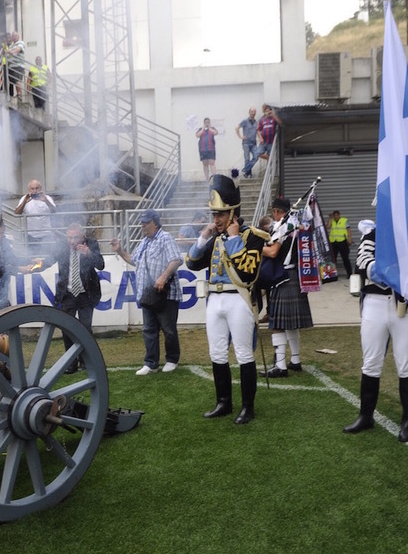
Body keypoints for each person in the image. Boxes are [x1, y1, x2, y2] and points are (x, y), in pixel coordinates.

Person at [186, 175, 270, 425]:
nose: (216, 219)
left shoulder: (252, 236)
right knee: (217, 352)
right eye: (214, 214)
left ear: (233, 213)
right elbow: (191, 263)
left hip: (239, 299)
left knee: (244, 353)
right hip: (215, 300)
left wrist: (233, 240)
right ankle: (223, 402)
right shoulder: (215, 238)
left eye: (221, 214)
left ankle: (247, 407)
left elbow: (248, 271)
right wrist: (203, 238)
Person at [343, 219, 408, 442]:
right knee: (371, 361)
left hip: (407, 304)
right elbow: (363, 264)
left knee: (406, 363)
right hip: (375, 302)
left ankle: (407, 422)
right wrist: (392, 262)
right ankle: (366, 415)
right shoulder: (374, 232)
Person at [110, 210, 182, 375]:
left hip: (164, 293)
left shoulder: (166, 238)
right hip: (148, 294)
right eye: (142, 222)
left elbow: (176, 260)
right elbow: (133, 260)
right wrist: (120, 251)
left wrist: (163, 277)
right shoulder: (144, 242)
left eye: (146, 222)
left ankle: (172, 359)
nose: (142, 225)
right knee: (149, 329)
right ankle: (151, 363)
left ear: (155, 223)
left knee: (168, 329)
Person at [40, 223, 106, 374]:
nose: (72, 241)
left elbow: (101, 265)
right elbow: (49, 260)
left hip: (86, 294)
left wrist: (89, 253)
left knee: (85, 329)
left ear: (82, 237)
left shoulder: (92, 244)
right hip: (67, 294)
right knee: (67, 328)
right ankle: (71, 363)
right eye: (69, 237)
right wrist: (36, 265)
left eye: (75, 237)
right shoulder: (61, 246)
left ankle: (86, 362)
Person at [260, 197, 313, 378]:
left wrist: (256, 247)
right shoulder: (294, 224)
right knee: (290, 324)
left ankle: (280, 365)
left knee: (278, 323)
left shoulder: (283, 226)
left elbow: (273, 252)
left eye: (274, 211)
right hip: (293, 276)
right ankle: (295, 360)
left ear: (276, 211)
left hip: (282, 277)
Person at [14, 179, 57, 251]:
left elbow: (54, 211)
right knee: (33, 259)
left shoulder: (47, 198)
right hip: (31, 236)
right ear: (29, 190)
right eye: (32, 188)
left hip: (46, 235)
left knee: (48, 258)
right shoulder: (24, 198)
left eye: (37, 188)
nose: (35, 190)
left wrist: (46, 201)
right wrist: (25, 202)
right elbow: (17, 212)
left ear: (40, 188)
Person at [242, 104, 281, 178]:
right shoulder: (262, 120)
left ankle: (269, 173)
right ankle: (267, 158)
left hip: (271, 142)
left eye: (269, 111)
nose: (267, 112)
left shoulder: (273, 119)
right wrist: (260, 138)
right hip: (263, 142)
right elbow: (258, 130)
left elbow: (280, 123)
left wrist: (274, 115)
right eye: (266, 111)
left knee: (270, 159)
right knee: (257, 154)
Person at [328, 210, 353, 277]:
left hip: (342, 242)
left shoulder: (344, 220)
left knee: (345, 259)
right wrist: (330, 218)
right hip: (334, 242)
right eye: (334, 215)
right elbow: (327, 227)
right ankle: (333, 275)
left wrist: (349, 239)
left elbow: (348, 230)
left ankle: (349, 273)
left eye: (337, 215)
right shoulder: (332, 221)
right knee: (333, 260)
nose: (336, 217)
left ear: (339, 215)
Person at [235, 107, 257, 171]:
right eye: (252, 112)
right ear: (249, 112)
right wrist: (240, 137)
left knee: (256, 157)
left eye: (254, 112)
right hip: (246, 143)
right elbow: (237, 128)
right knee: (247, 159)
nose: (253, 113)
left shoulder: (256, 122)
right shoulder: (245, 121)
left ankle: (245, 170)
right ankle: (248, 174)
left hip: (254, 143)